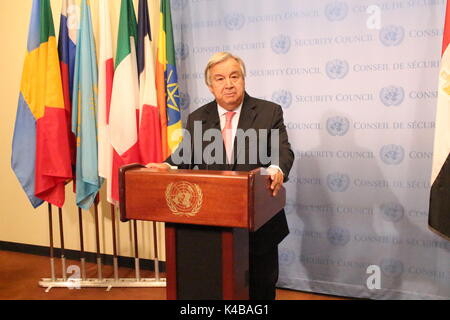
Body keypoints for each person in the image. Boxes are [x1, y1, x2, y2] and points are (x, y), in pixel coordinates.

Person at [147, 52, 294, 300]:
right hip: (213, 226)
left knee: (261, 288)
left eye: (234, 76)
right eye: (220, 78)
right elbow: (183, 156)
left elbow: (283, 151)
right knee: (218, 288)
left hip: (260, 222)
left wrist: (277, 169)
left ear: (243, 79)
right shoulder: (198, 118)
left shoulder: (269, 112)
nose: (228, 84)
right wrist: (167, 167)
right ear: (210, 85)